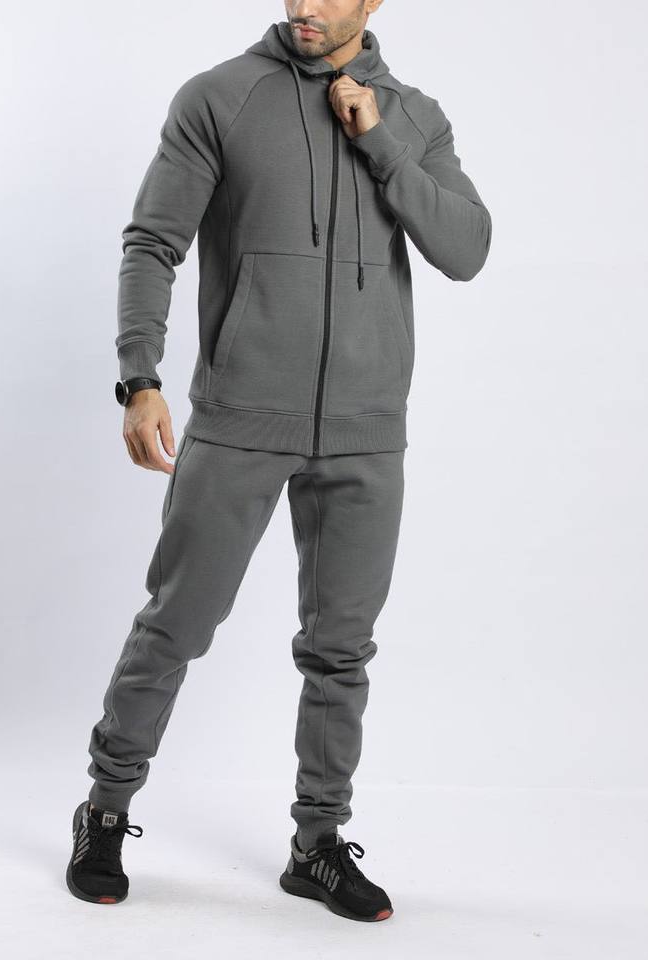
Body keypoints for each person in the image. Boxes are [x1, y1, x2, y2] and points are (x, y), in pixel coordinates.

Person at [66, 1, 491, 922]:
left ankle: (317, 844)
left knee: (341, 651)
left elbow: (467, 250)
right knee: (177, 623)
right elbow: (154, 243)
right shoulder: (221, 97)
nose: (303, 6)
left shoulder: (414, 117)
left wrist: (379, 144)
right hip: (239, 417)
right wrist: (140, 376)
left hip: (366, 428)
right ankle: (104, 809)